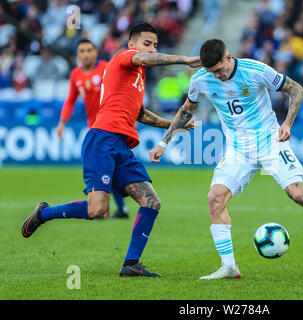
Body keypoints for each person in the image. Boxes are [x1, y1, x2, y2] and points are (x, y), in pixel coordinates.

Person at [150, 39, 303, 280]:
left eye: (219, 70)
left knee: (299, 195)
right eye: (212, 73)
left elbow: (296, 89)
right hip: (238, 149)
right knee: (215, 198)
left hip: (271, 142)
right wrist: (164, 142)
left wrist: (287, 123)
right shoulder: (201, 80)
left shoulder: (256, 71)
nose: (216, 77)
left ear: (228, 57)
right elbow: (187, 110)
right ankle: (229, 266)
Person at [21, 22, 200, 277]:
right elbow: (146, 59)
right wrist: (185, 60)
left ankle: (131, 264)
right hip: (103, 139)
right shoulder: (124, 57)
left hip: (122, 145)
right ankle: (44, 214)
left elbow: (140, 114)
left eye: (155, 45)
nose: (151, 48)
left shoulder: (136, 77)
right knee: (96, 210)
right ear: (132, 44)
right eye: (147, 44)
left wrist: (173, 125)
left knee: (152, 201)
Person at [56, 39, 129, 219]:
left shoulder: (106, 68)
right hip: (95, 128)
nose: (86, 54)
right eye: (82, 51)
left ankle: (115, 208)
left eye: (89, 50)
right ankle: (115, 209)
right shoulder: (76, 75)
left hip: (113, 125)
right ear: (77, 55)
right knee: (107, 168)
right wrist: (62, 123)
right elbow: (70, 100)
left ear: (96, 53)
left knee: (110, 168)